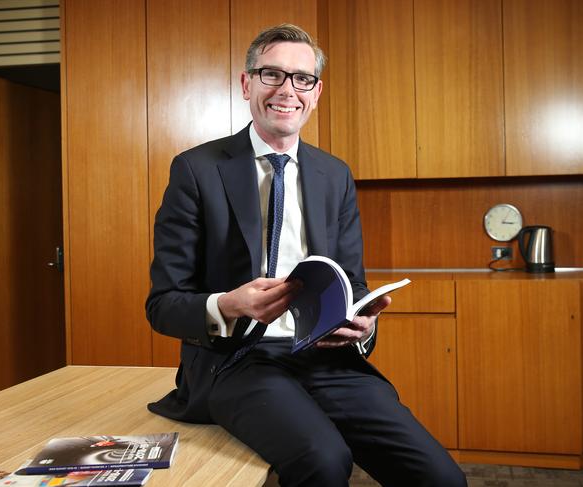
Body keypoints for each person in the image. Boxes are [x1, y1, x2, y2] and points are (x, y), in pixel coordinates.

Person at [146, 23, 467, 487]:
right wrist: (231, 304)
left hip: (325, 357)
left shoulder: (334, 175)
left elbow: (351, 282)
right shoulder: (196, 170)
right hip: (238, 358)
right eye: (271, 74)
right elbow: (163, 305)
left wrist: (363, 323)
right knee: (324, 460)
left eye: (303, 79)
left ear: (316, 93)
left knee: (442, 478)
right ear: (246, 83)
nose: (287, 90)